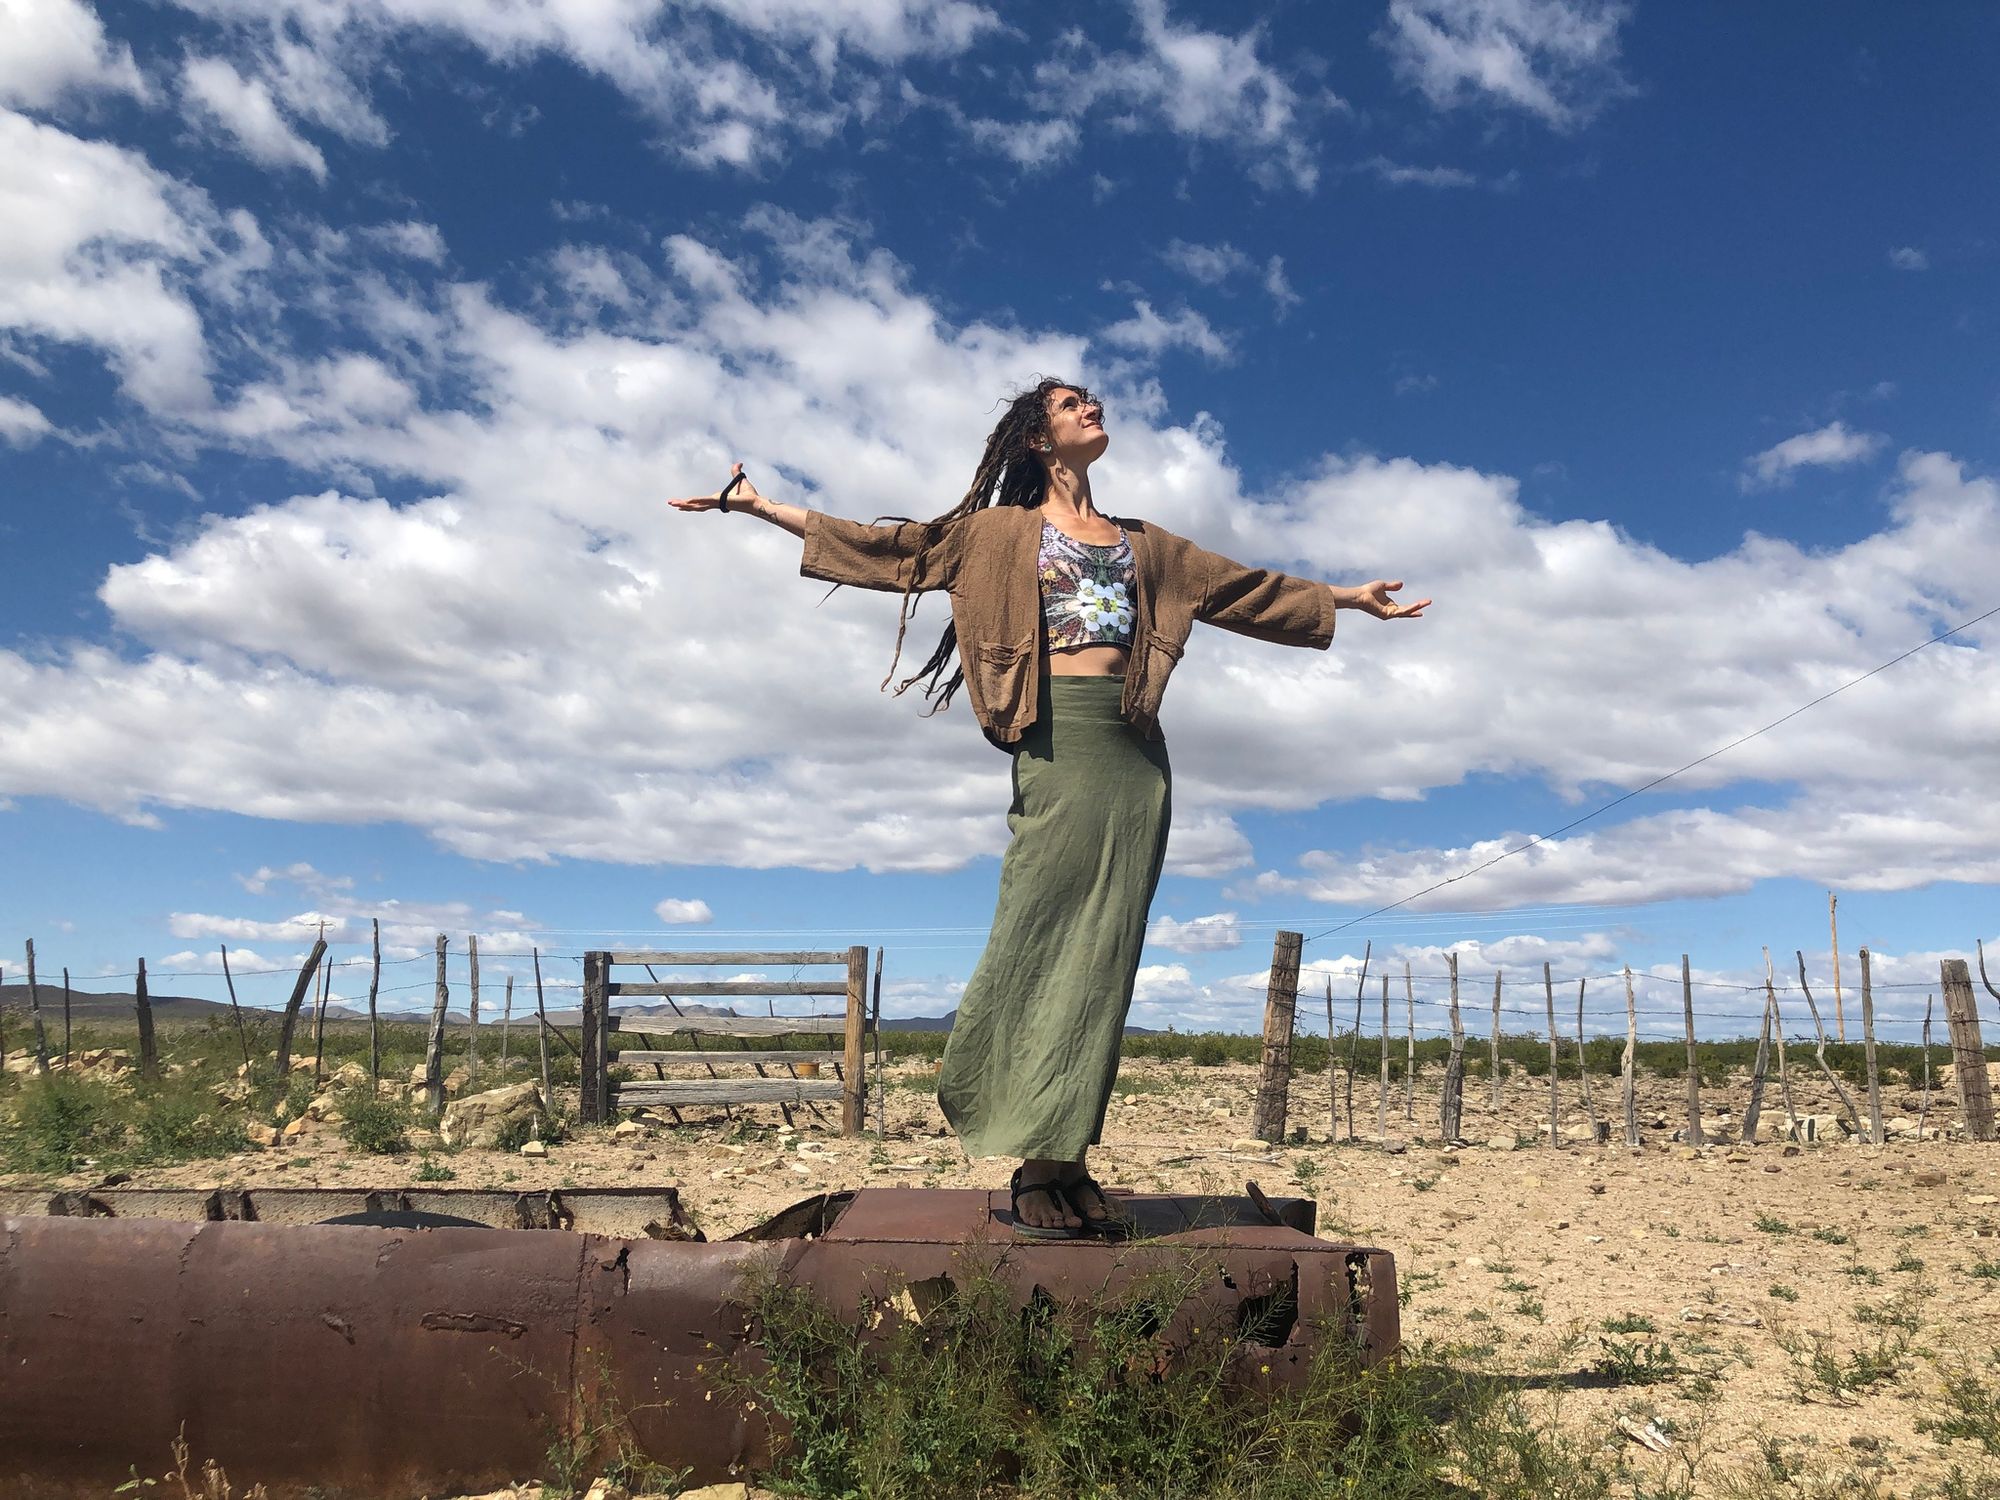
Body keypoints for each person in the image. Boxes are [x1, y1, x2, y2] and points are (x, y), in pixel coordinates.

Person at [671, 378, 1427, 1237]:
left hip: (1135, 757)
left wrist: (1346, 600)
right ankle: (1013, 1122)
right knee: (1036, 929)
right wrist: (762, 508)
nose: (1090, 408)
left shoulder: (1150, 546)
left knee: (1106, 955)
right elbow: (896, 550)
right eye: (1072, 404)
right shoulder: (997, 535)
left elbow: (1245, 589)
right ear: (1038, 437)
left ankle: (1060, 1159)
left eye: (1091, 400)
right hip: (1056, 744)